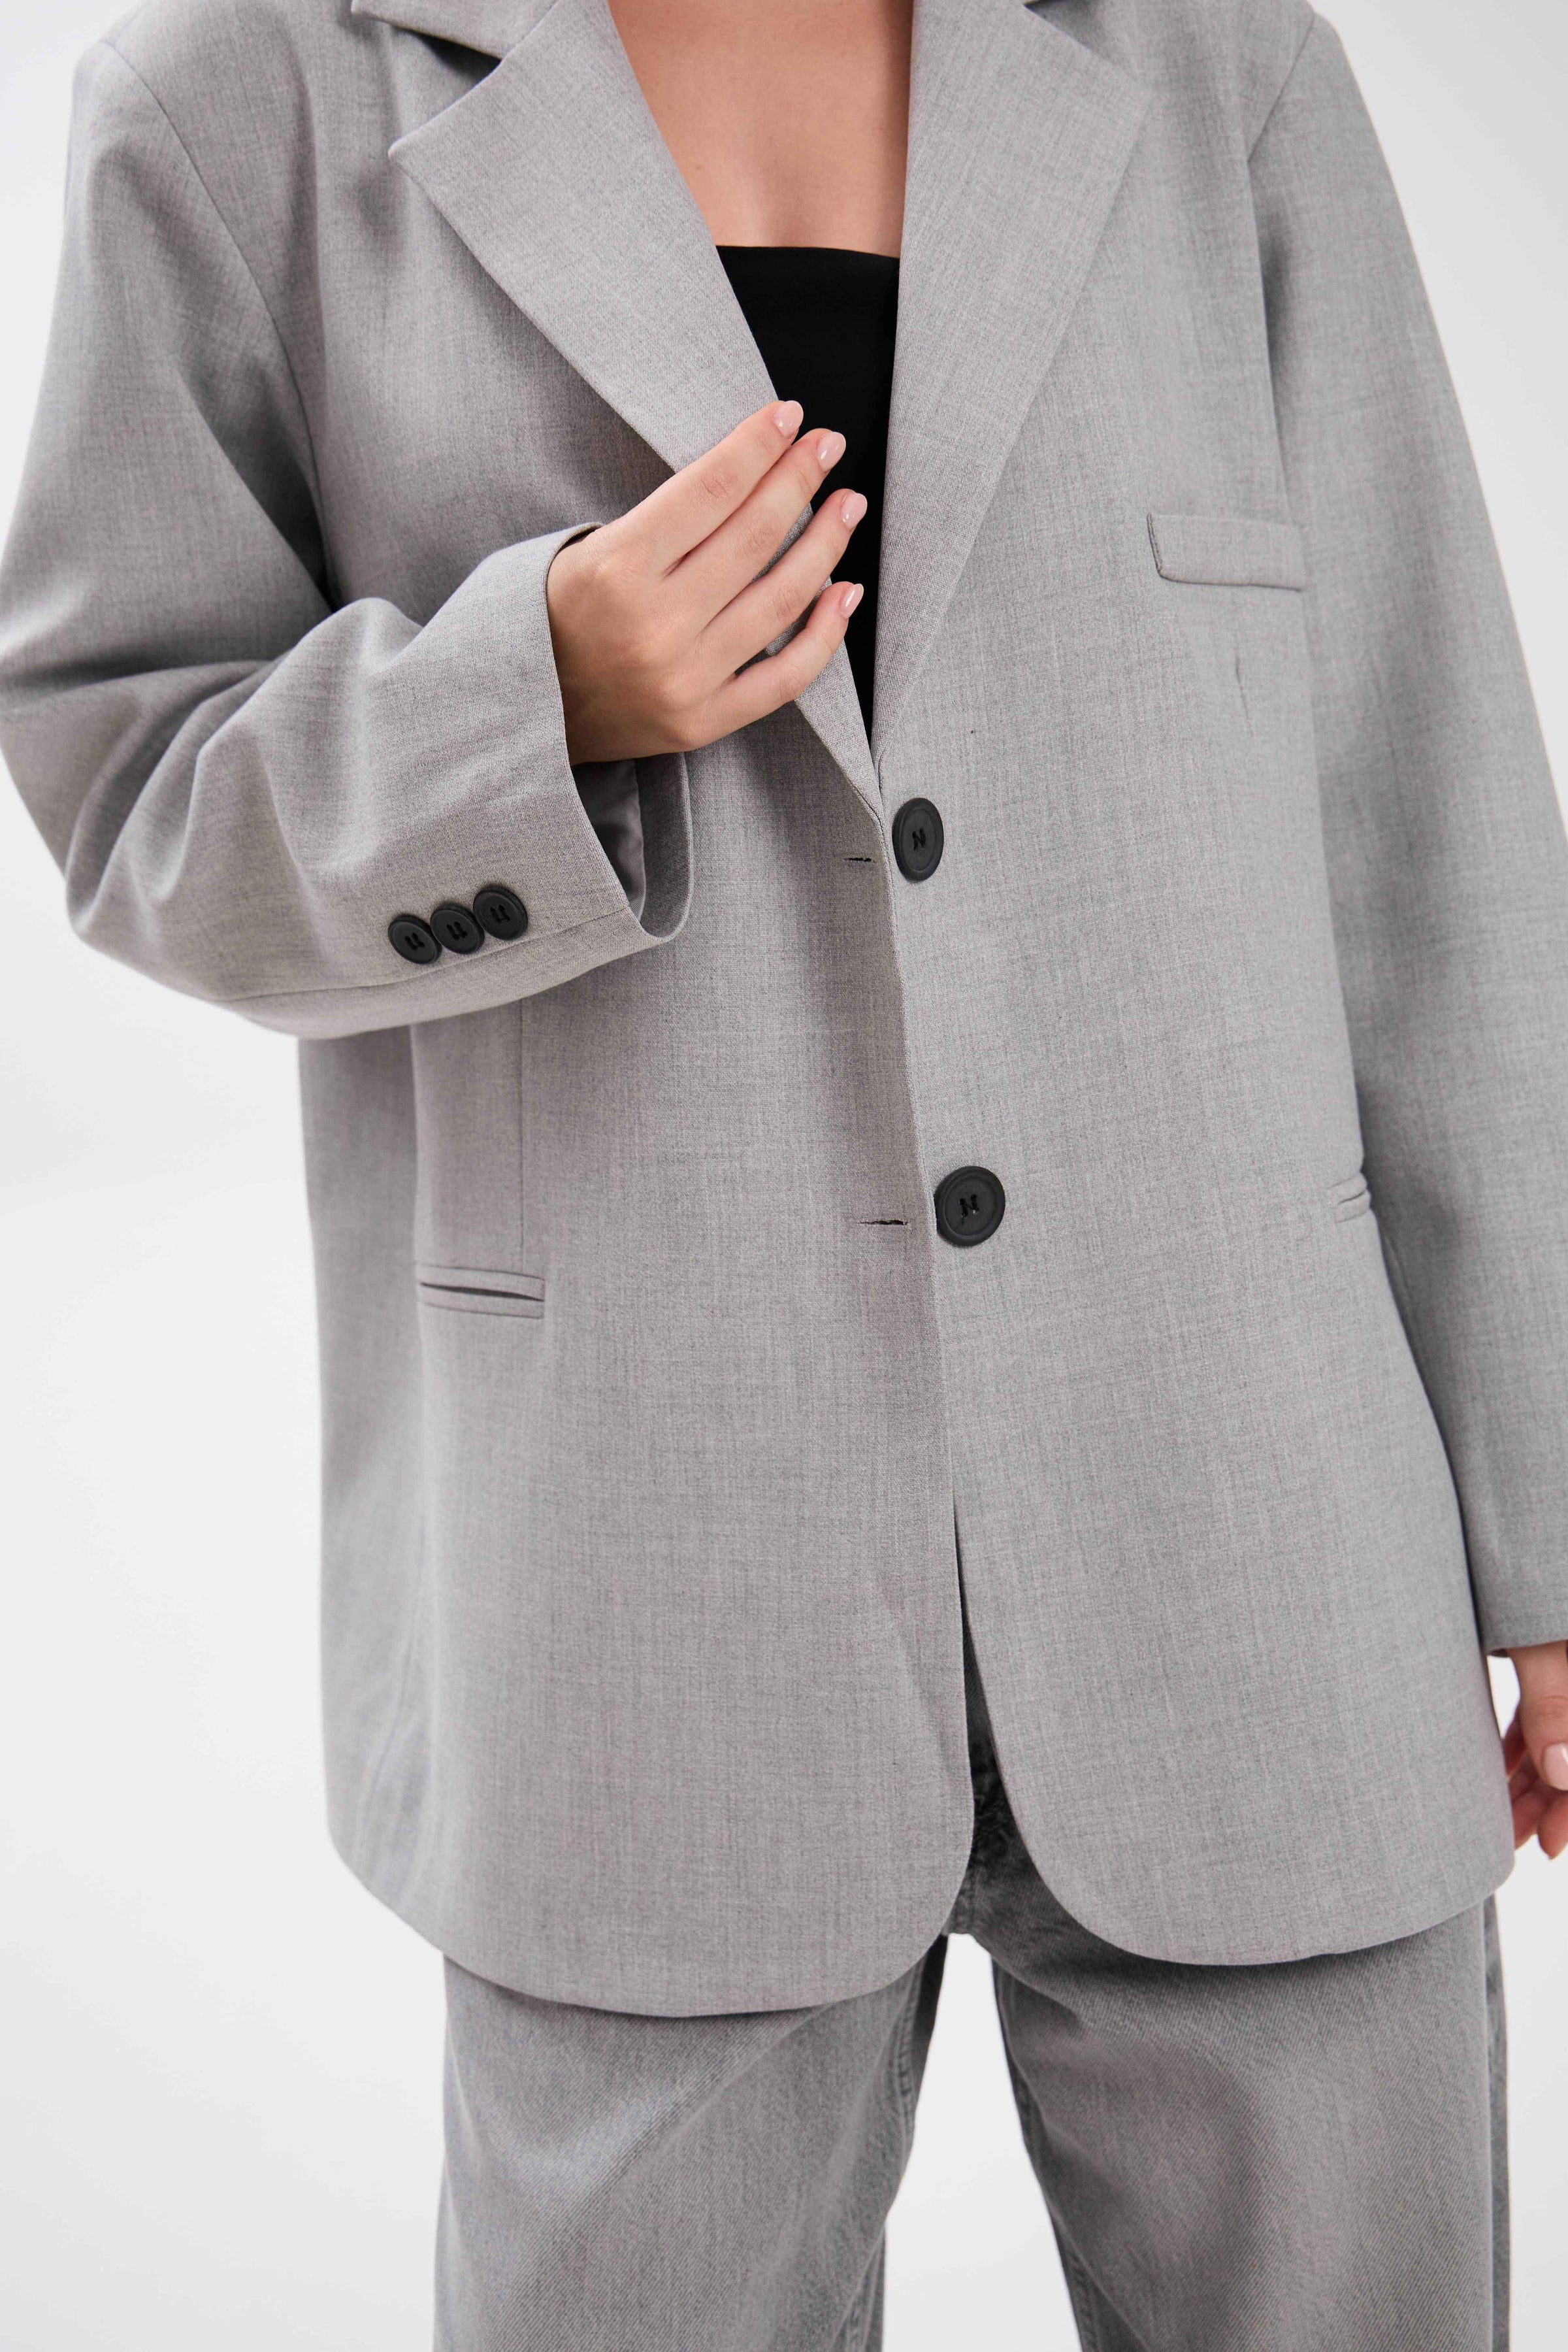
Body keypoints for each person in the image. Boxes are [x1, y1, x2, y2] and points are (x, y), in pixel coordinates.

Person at [2, 0, 1564, 2342]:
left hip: (1266, 1566)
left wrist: (1547, 1496)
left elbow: (1430, 799)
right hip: (638, 1606)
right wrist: (531, 697)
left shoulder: (1213, 63)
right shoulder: (241, 102)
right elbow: (129, 798)